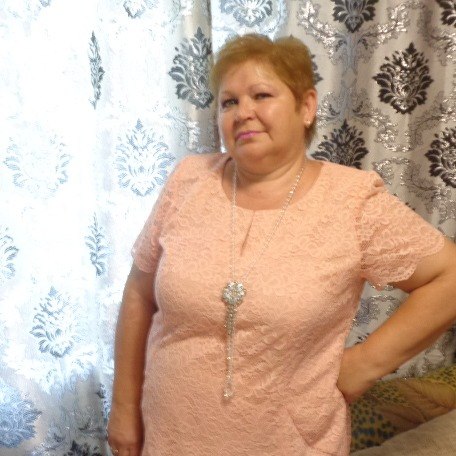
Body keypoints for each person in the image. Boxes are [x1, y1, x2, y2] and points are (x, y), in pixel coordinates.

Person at [107, 34, 456, 456]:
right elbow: (139, 293)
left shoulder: (351, 201)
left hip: (291, 442)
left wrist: (364, 364)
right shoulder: (188, 180)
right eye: (229, 102)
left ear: (306, 107)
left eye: (261, 95)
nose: (243, 112)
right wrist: (123, 409)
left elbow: (449, 277)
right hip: (170, 437)